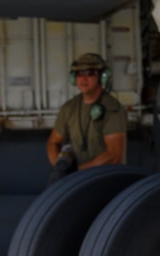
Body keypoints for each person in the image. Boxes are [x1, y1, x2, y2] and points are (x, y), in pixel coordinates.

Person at [46, 52, 127, 182]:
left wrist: (77, 172)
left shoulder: (112, 108)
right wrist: (60, 168)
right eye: (79, 74)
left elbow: (114, 155)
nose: (83, 79)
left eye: (89, 73)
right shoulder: (69, 108)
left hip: (106, 180)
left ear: (102, 77)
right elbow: (53, 142)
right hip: (78, 181)